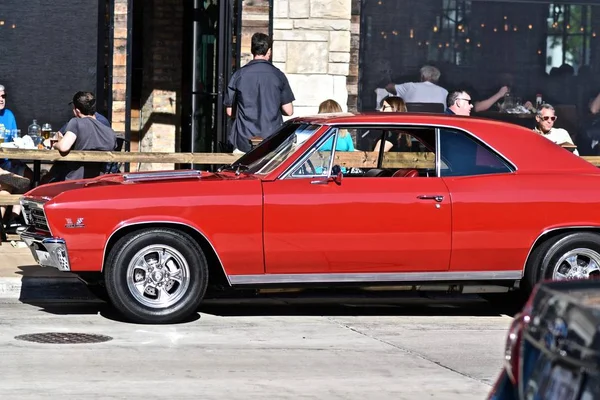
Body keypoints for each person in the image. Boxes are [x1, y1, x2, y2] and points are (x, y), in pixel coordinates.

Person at [224, 32, 295, 154]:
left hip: (243, 140)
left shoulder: (239, 75)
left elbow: (230, 111)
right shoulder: (278, 75)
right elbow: (288, 111)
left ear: (252, 51)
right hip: (272, 141)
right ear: (269, 51)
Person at [42, 91, 117, 183]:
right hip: (98, 183)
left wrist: (55, 143)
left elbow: (64, 147)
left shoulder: (76, 122)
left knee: (46, 179)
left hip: (74, 182)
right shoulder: (110, 132)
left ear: (77, 111)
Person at [0, 84, 32, 236]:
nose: (1, 99)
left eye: (3, 96)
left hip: (8, 161)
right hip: (2, 165)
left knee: (28, 175)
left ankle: (14, 217)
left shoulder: (9, 115)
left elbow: (14, 139)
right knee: (6, 186)